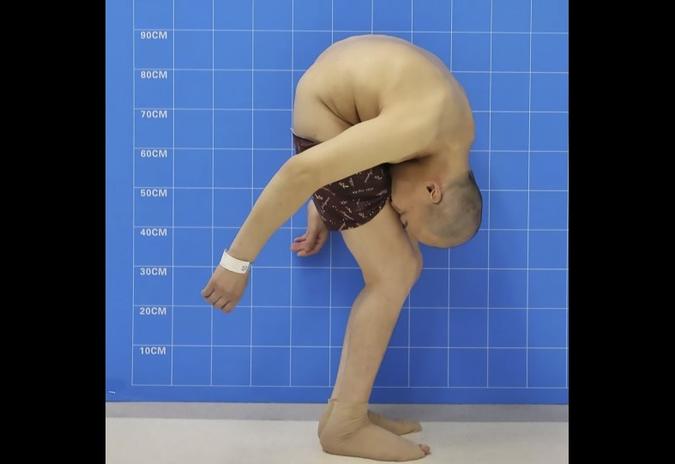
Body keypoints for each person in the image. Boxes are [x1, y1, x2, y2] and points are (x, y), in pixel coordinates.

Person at [202, 34, 482, 461]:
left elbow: (366, 137)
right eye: (407, 217)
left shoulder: (455, 134)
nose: (396, 214)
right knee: (396, 270)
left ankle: (347, 411)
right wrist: (236, 261)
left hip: (336, 112)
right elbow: (300, 172)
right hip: (327, 114)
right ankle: (345, 425)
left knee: (402, 263)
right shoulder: (420, 128)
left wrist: (326, 199)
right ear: (433, 190)